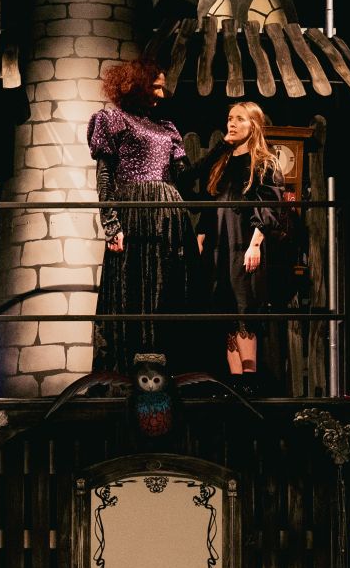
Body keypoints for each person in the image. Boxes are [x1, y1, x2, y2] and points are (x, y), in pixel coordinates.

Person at [89, 61, 191, 375]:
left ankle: (168, 368)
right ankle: (126, 370)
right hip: (134, 210)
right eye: (155, 87)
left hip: (168, 215)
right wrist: (110, 223)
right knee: (130, 287)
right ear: (136, 86)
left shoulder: (167, 127)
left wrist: (221, 150)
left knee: (166, 288)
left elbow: (184, 178)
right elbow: (105, 177)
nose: (161, 94)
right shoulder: (113, 119)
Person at [185, 101, 283, 381]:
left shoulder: (264, 162)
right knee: (225, 311)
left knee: (244, 310)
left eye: (240, 118)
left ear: (254, 124)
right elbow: (209, 202)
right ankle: (236, 381)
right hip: (219, 245)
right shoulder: (222, 162)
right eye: (230, 118)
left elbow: (269, 204)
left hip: (243, 241)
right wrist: (201, 238)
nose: (232, 123)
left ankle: (249, 381)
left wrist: (255, 244)